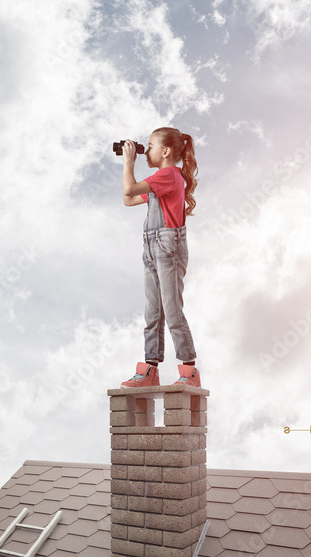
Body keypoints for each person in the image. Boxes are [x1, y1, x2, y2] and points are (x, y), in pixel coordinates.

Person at [120, 127, 201, 388]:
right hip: (151, 248)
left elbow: (130, 188)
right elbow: (128, 199)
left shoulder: (167, 176)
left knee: (172, 310)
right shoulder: (159, 180)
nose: (146, 151)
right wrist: (128, 165)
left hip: (168, 247)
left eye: (150, 146)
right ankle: (150, 370)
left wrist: (129, 162)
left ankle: (189, 372)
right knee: (152, 311)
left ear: (165, 152)